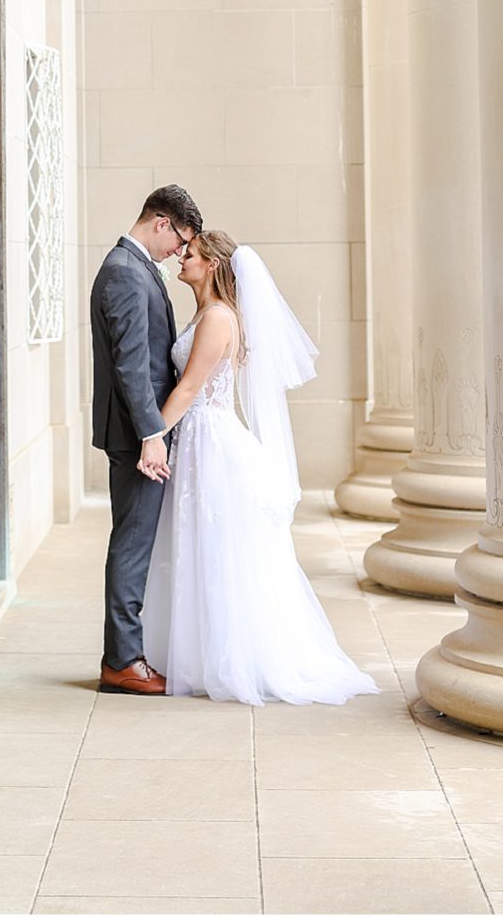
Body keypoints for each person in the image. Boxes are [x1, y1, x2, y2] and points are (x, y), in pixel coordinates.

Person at [140, 229, 379, 706]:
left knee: (219, 550)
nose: (181, 258)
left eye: (191, 253)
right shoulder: (208, 313)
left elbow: (188, 390)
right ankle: (199, 653)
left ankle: (234, 659)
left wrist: (151, 438)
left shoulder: (219, 318)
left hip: (212, 444)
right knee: (202, 547)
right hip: (199, 440)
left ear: (212, 265)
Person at [89, 185, 202, 695]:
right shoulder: (127, 274)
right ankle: (123, 661)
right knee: (131, 545)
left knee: (135, 543)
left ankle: (128, 652)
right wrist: (152, 436)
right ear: (160, 221)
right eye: (179, 239)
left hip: (140, 430)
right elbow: (132, 365)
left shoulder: (132, 269)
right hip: (138, 437)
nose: (179, 252)